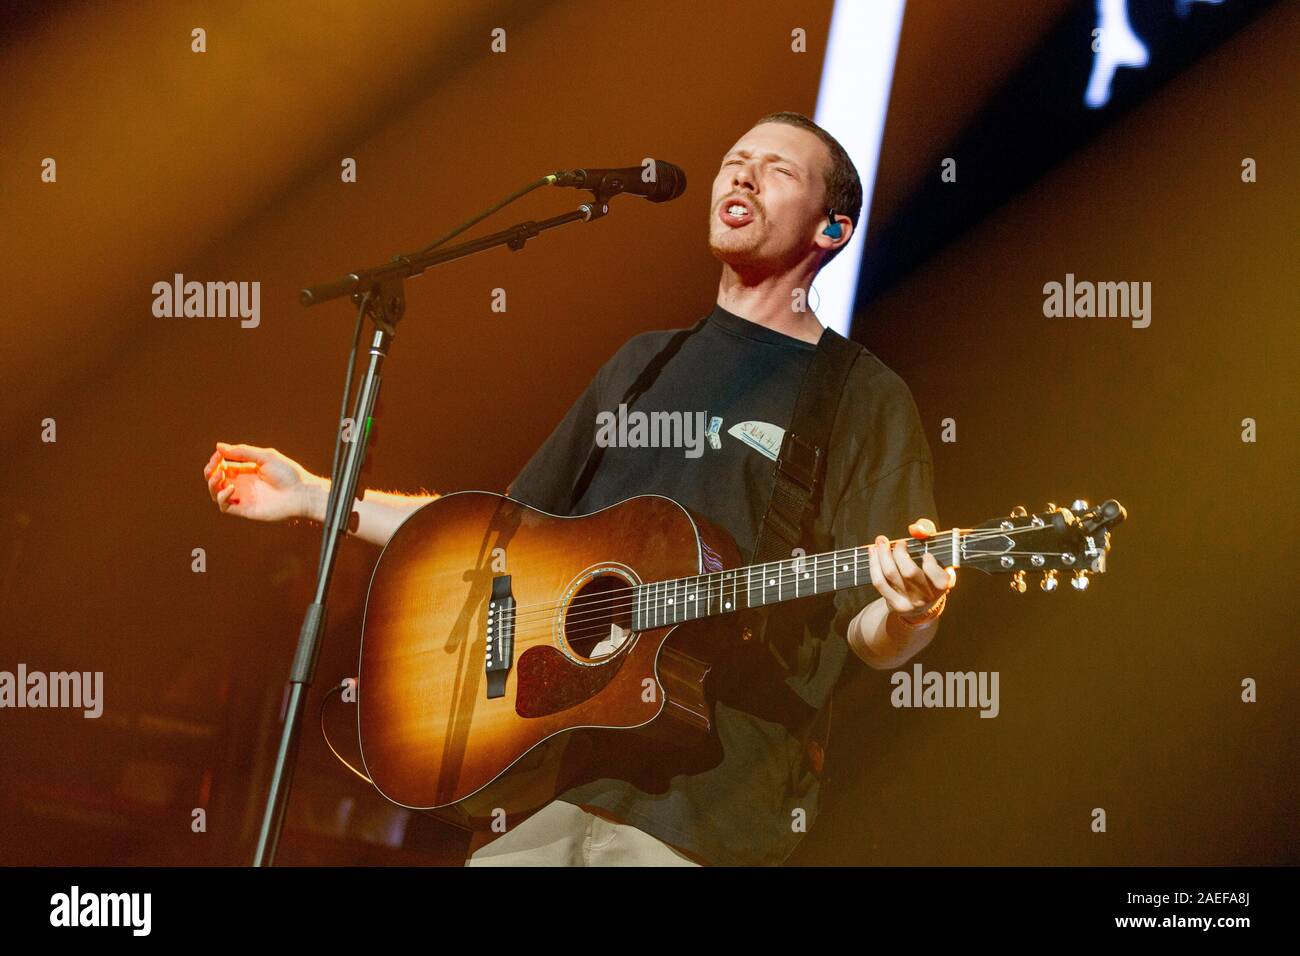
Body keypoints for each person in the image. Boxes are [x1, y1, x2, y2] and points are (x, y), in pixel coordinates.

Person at [203, 111, 953, 866]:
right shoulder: (642, 363)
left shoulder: (860, 397)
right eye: (735, 159)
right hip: (540, 787)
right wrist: (312, 497)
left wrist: (912, 615)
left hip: (703, 814)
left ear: (831, 230)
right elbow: (489, 539)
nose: (743, 175)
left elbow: (871, 633)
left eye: (780, 170)